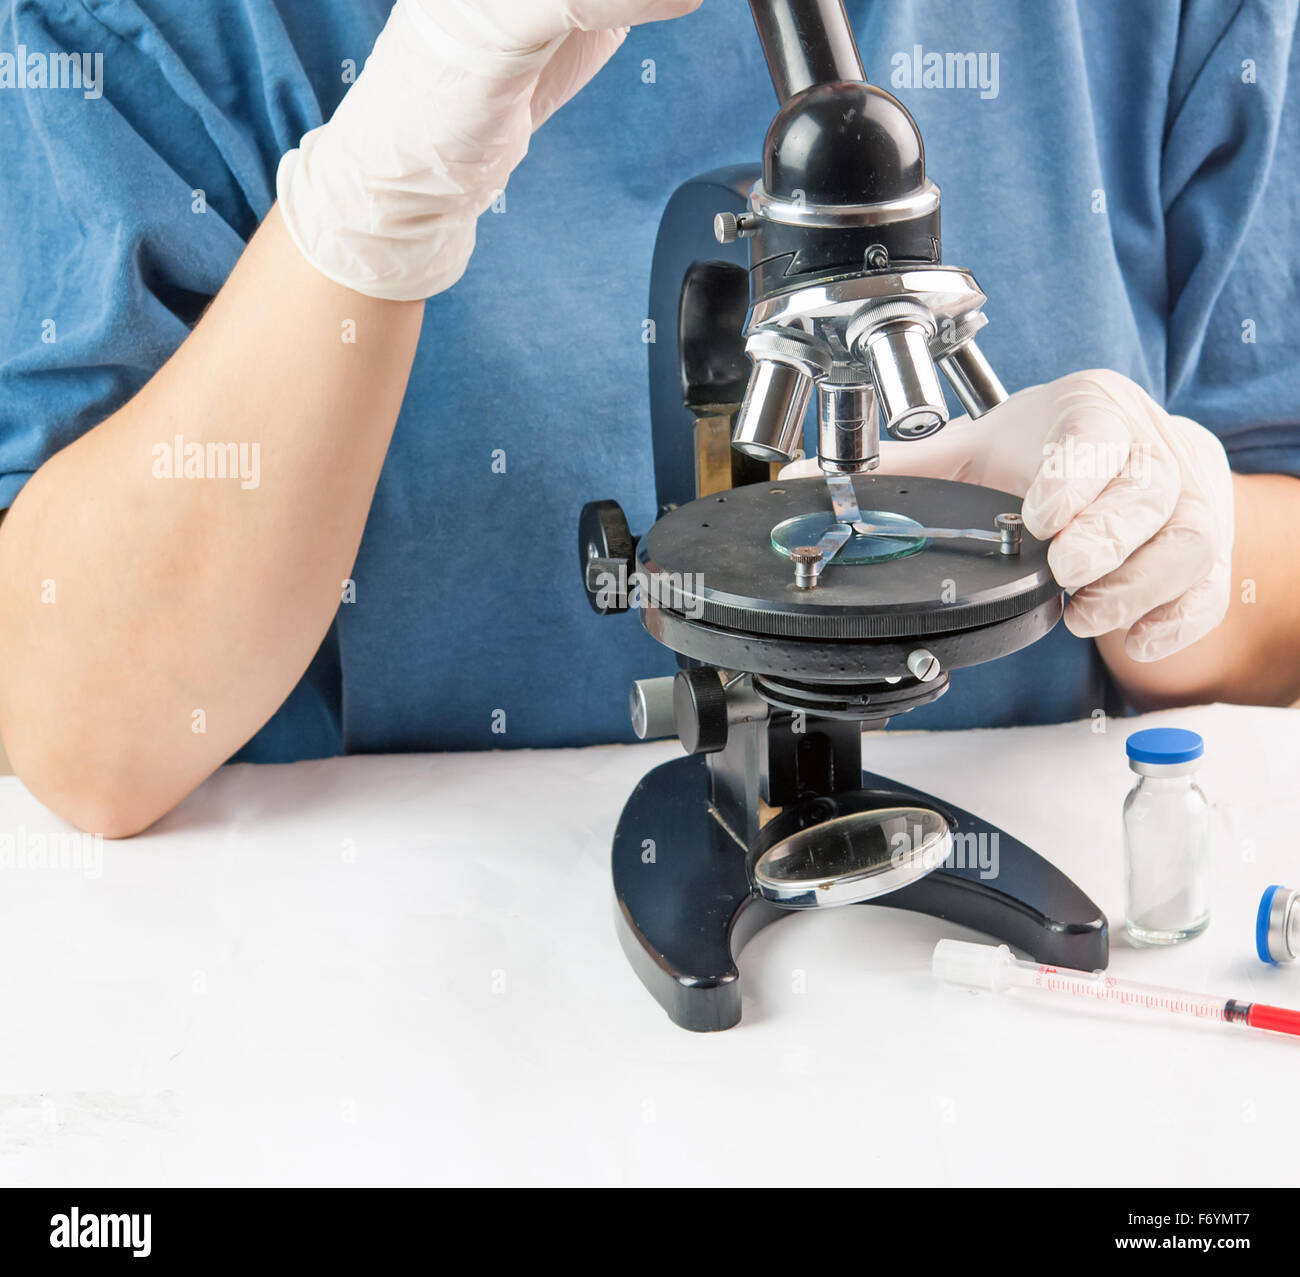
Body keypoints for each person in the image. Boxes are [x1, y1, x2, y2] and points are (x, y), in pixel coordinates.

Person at [0, 0, 1295, 839]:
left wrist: (1164, 530)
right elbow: (83, 730)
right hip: (410, 1008)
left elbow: (1272, 601)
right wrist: (373, 199)